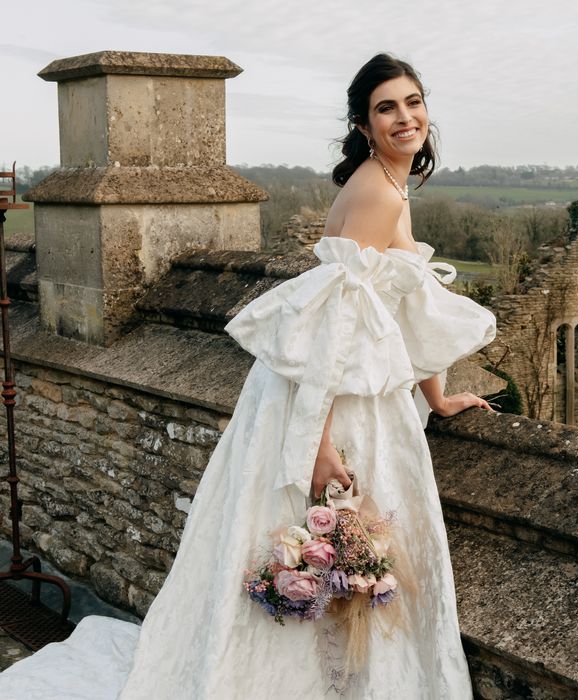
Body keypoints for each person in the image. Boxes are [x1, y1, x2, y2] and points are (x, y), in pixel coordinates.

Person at [0, 53, 496, 699]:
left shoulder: (393, 182)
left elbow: (402, 308)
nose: (405, 117)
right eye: (386, 107)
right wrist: (315, 446)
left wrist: (438, 394)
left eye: (413, 102)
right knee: (322, 543)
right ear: (363, 123)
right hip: (328, 403)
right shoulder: (376, 190)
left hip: (343, 391)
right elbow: (334, 327)